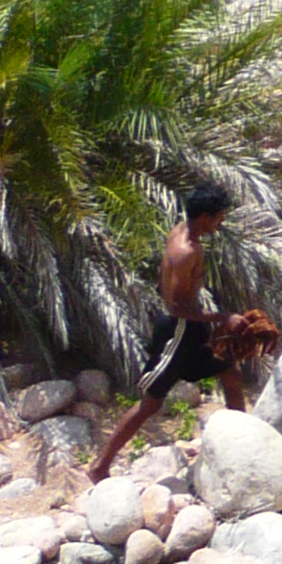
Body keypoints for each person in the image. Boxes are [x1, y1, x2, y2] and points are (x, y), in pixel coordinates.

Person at [86, 184, 249, 481]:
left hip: (192, 327)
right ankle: (99, 466)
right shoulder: (187, 251)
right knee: (151, 402)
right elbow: (175, 305)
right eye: (218, 218)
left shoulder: (183, 230)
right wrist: (222, 317)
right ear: (204, 217)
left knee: (231, 373)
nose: (220, 223)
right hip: (178, 332)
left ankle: (244, 445)